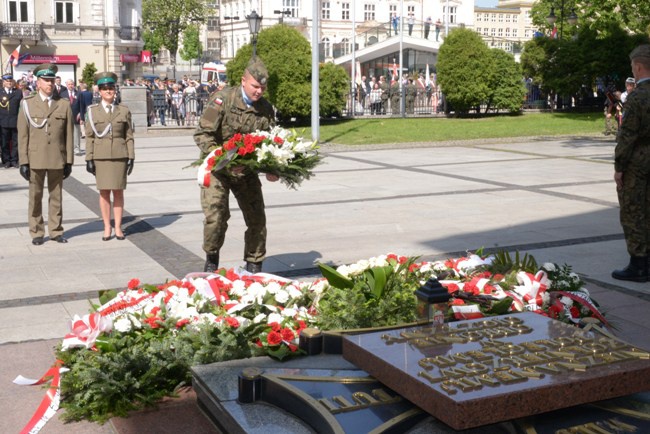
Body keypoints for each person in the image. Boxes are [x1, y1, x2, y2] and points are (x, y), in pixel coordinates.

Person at [194, 57, 278, 273]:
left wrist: (272, 168)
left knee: (257, 218)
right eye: (255, 86)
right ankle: (211, 259)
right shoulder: (222, 100)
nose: (259, 92)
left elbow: (269, 141)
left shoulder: (266, 109)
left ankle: (254, 264)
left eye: (262, 88)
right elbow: (203, 133)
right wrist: (221, 157)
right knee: (216, 216)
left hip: (246, 172)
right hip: (219, 169)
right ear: (243, 81)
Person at [17, 63, 74, 245]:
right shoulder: (27, 104)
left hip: (57, 157)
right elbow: (23, 135)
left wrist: (69, 161)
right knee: (35, 196)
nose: (50, 84)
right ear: (38, 82)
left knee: (56, 196)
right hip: (36, 158)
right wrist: (23, 162)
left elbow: (69, 135)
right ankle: (37, 232)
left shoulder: (63, 104)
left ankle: (56, 230)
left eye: (51, 80)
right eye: (46, 80)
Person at [612, 45, 650, 282]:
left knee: (633, 211)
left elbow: (627, 137)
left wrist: (619, 167)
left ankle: (639, 265)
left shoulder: (637, 96)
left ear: (638, 67)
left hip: (638, 162)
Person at [84, 72, 135, 241]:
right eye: (105, 88)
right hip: (101, 156)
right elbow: (90, 136)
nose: (108, 91)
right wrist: (89, 159)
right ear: (99, 91)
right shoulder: (92, 112)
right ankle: (107, 227)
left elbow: (129, 135)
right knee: (104, 193)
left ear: (115, 90)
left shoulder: (124, 110)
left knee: (118, 192)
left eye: (111, 88)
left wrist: (131, 156)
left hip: (120, 156)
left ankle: (118, 227)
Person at [0, 73, 23, 168]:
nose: (9, 83)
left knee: (15, 142)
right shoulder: (0, 92)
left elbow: (21, 107)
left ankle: (14, 160)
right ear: (3, 83)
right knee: (4, 143)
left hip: (15, 121)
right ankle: (6, 161)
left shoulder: (18, 92)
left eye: (10, 81)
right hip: (3, 121)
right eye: (7, 81)